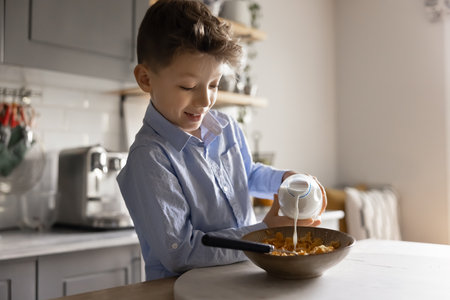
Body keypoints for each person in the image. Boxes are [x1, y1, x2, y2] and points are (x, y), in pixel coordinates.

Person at [117, 0, 326, 281]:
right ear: (146, 79)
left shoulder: (225, 126)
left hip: (242, 280)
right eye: (188, 87)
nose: (205, 101)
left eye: (214, 85)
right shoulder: (150, 157)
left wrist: (285, 181)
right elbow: (181, 253)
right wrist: (264, 232)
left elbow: (247, 174)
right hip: (181, 291)